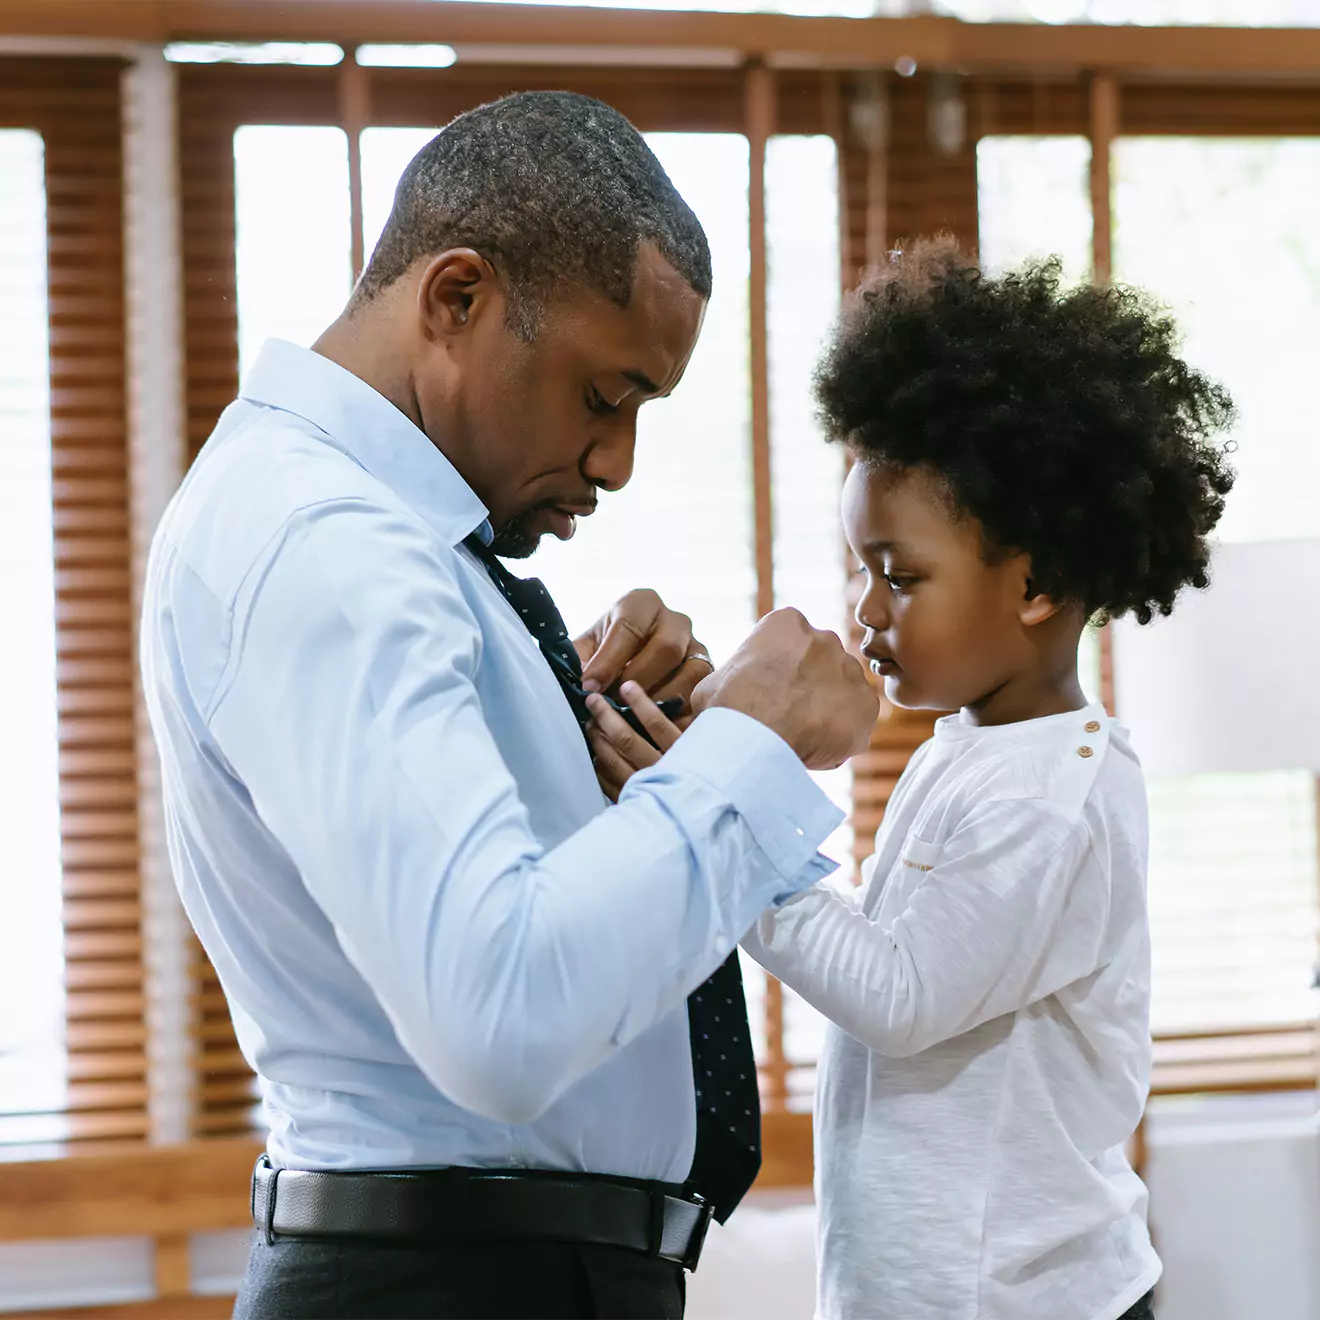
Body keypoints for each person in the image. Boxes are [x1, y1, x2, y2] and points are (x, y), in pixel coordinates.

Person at [139, 91, 878, 1320]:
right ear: (457, 298)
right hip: (452, 1281)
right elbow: (502, 1019)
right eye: (605, 397)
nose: (617, 464)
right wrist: (749, 746)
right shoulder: (331, 545)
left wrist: (587, 755)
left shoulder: (377, 543)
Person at [590, 239, 1236, 1320]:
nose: (864, 609)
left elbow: (900, 994)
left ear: (1034, 581)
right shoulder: (977, 751)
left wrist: (724, 820)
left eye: (901, 575)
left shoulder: (1053, 793)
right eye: (858, 569)